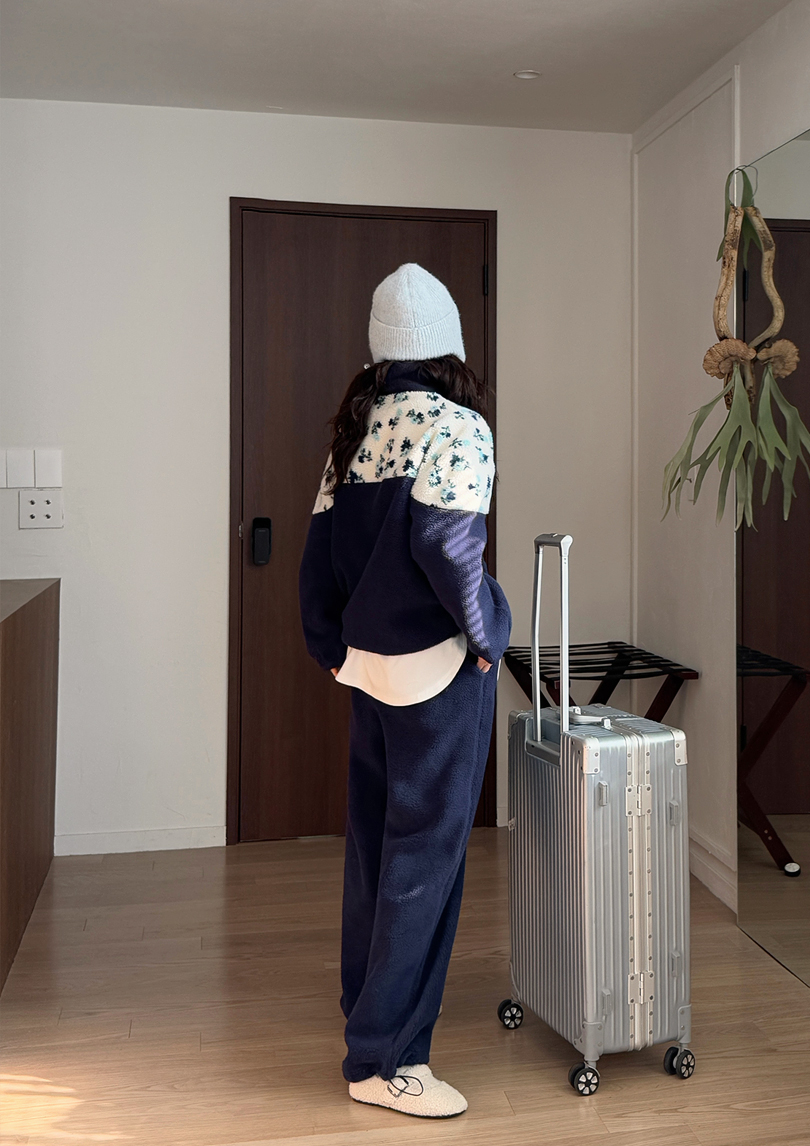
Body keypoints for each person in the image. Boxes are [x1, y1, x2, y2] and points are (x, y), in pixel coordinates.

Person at [298, 263, 512, 1119]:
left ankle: (366, 1008)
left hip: (370, 670)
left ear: (380, 350)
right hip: (438, 670)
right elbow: (450, 550)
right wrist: (489, 637)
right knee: (426, 864)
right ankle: (386, 1061)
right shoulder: (458, 426)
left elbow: (318, 557)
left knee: (374, 851)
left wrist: (332, 650)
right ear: (450, 345)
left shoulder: (356, 430)